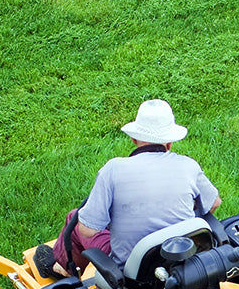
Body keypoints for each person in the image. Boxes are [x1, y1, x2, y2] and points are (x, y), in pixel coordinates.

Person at [36, 99, 222, 278]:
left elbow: (87, 230)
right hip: (179, 263)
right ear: (170, 142)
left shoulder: (113, 170)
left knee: (75, 218)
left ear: (134, 138)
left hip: (133, 275)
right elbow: (213, 202)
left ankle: (62, 268)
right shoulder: (188, 166)